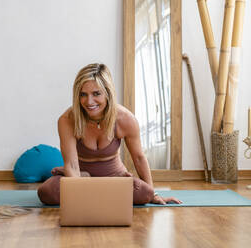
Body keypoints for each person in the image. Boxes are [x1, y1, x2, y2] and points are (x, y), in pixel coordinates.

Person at [37, 63, 182, 205]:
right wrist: (78, 190)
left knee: (144, 193)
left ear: (107, 93)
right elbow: (72, 164)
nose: (89, 101)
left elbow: (138, 158)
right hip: (78, 175)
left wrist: (152, 193)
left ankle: (93, 188)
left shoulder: (125, 119)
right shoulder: (67, 120)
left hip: (115, 178)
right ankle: (91, 184)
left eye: (96, 94)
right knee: (47, 192)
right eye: (83, 94)